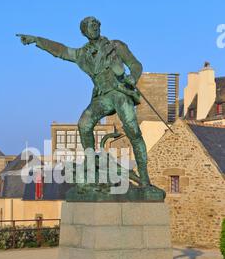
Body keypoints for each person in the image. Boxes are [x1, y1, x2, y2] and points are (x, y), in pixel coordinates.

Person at [18, 16, 150, 187]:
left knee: (133, 132)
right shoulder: (82, 54)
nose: (94, 27)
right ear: (84, 32)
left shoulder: (116, 46)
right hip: (103, 97)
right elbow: (61, 50)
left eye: (96, 24)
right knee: (84, 124)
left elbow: (135, 64)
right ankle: (90, 164)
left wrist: (133, 77)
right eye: (90, 26)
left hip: (120, 93)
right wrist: (37, 40)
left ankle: (145, 176)